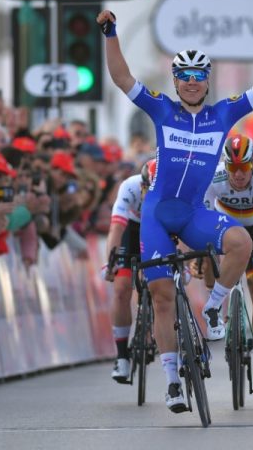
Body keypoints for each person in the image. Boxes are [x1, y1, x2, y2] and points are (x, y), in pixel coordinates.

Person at [97, 8, 253, 412]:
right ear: (177, 80)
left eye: (201, 77)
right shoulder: (163, 109)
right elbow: (122, 77)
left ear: (207, 81)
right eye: (186, 76)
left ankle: (214, 305)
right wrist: (111, 34)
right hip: (158, 214)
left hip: (194, 214)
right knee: (162, 297)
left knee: (240, 243)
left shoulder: (224, 113)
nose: (194, 83)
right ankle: (170, 382)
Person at [203, 135, 253, 382]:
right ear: (225, 166)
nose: (238, 175)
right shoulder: (213, 178)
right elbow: (202, 221)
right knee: (208, 273)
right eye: (232, 168)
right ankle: (221, 311)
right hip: (225, 226)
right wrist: (204, 257)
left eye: (243, 168)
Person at [105, 159, 153, 383]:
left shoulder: (172, 190)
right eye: (146, 188)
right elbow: (116, 227)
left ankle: (151, 328)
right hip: (131, 229)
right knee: (122, 289)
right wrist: (111, 261)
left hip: (158, 226)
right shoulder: (129, 186)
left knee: (159, 283)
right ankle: (122, 356)